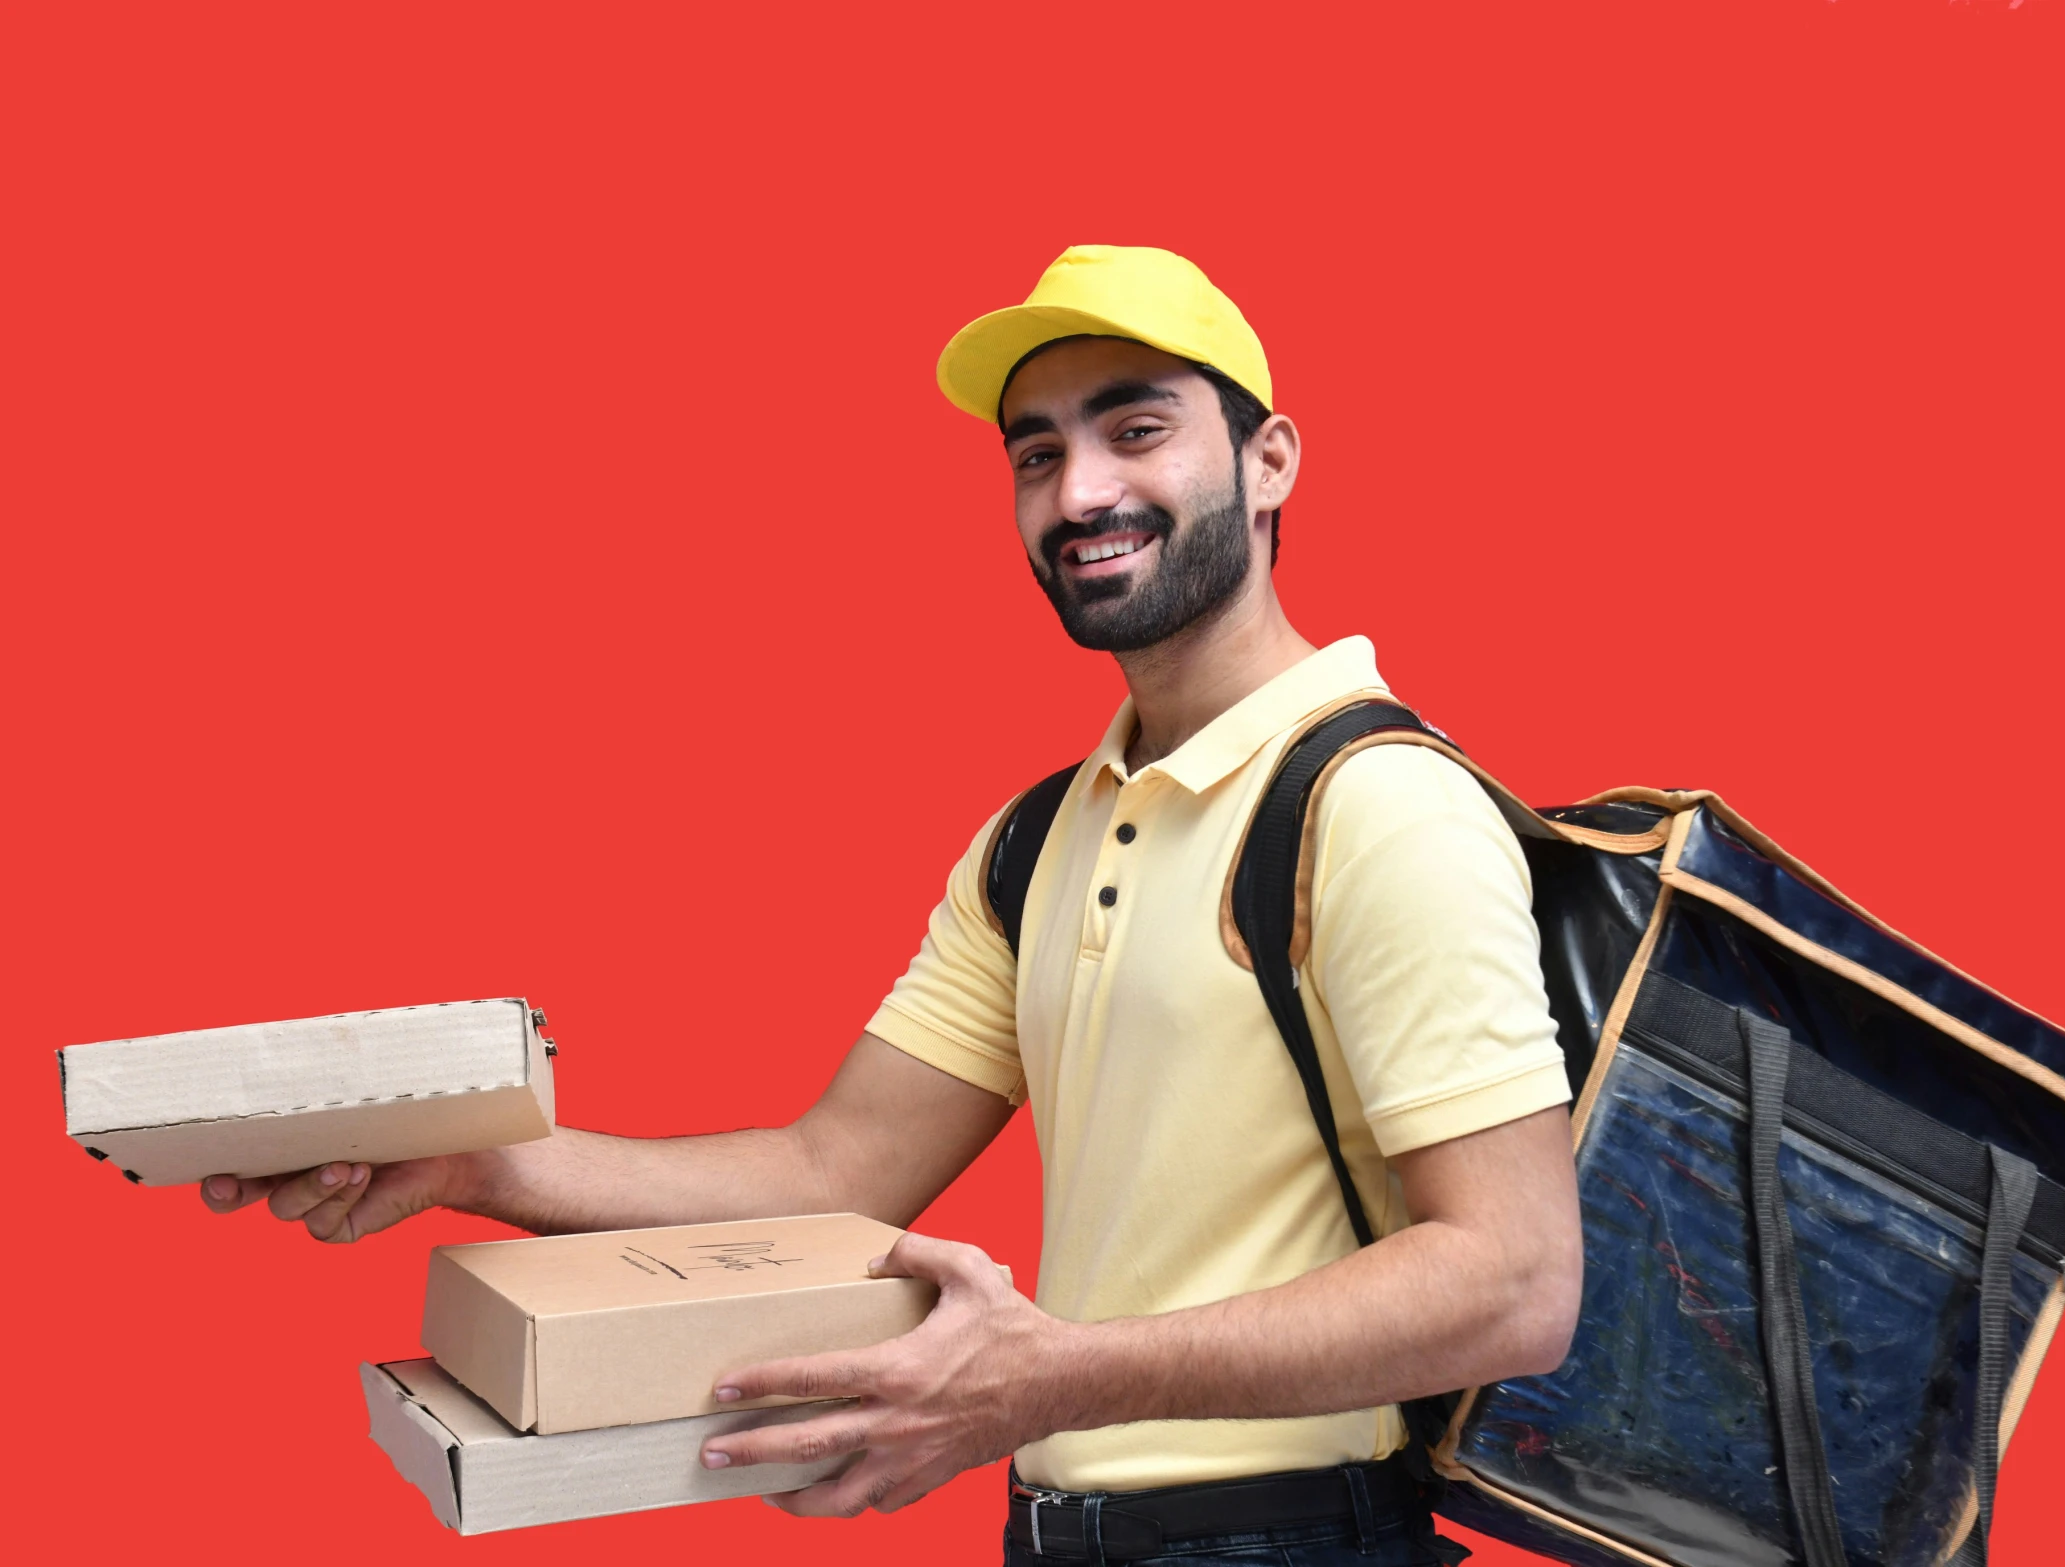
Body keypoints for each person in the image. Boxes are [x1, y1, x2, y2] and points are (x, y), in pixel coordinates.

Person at [204, 245, 1582, 1566]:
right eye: (1036, 454)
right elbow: (832, 1173)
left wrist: (1048, 1376)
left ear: (1268, 458)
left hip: (1294, 1535)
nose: (1078, 491)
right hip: (1059, 1528)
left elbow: (1513, 1278)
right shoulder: (1037, 836)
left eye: (1134, 428)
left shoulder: (1379, 803)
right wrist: (486, 1166)